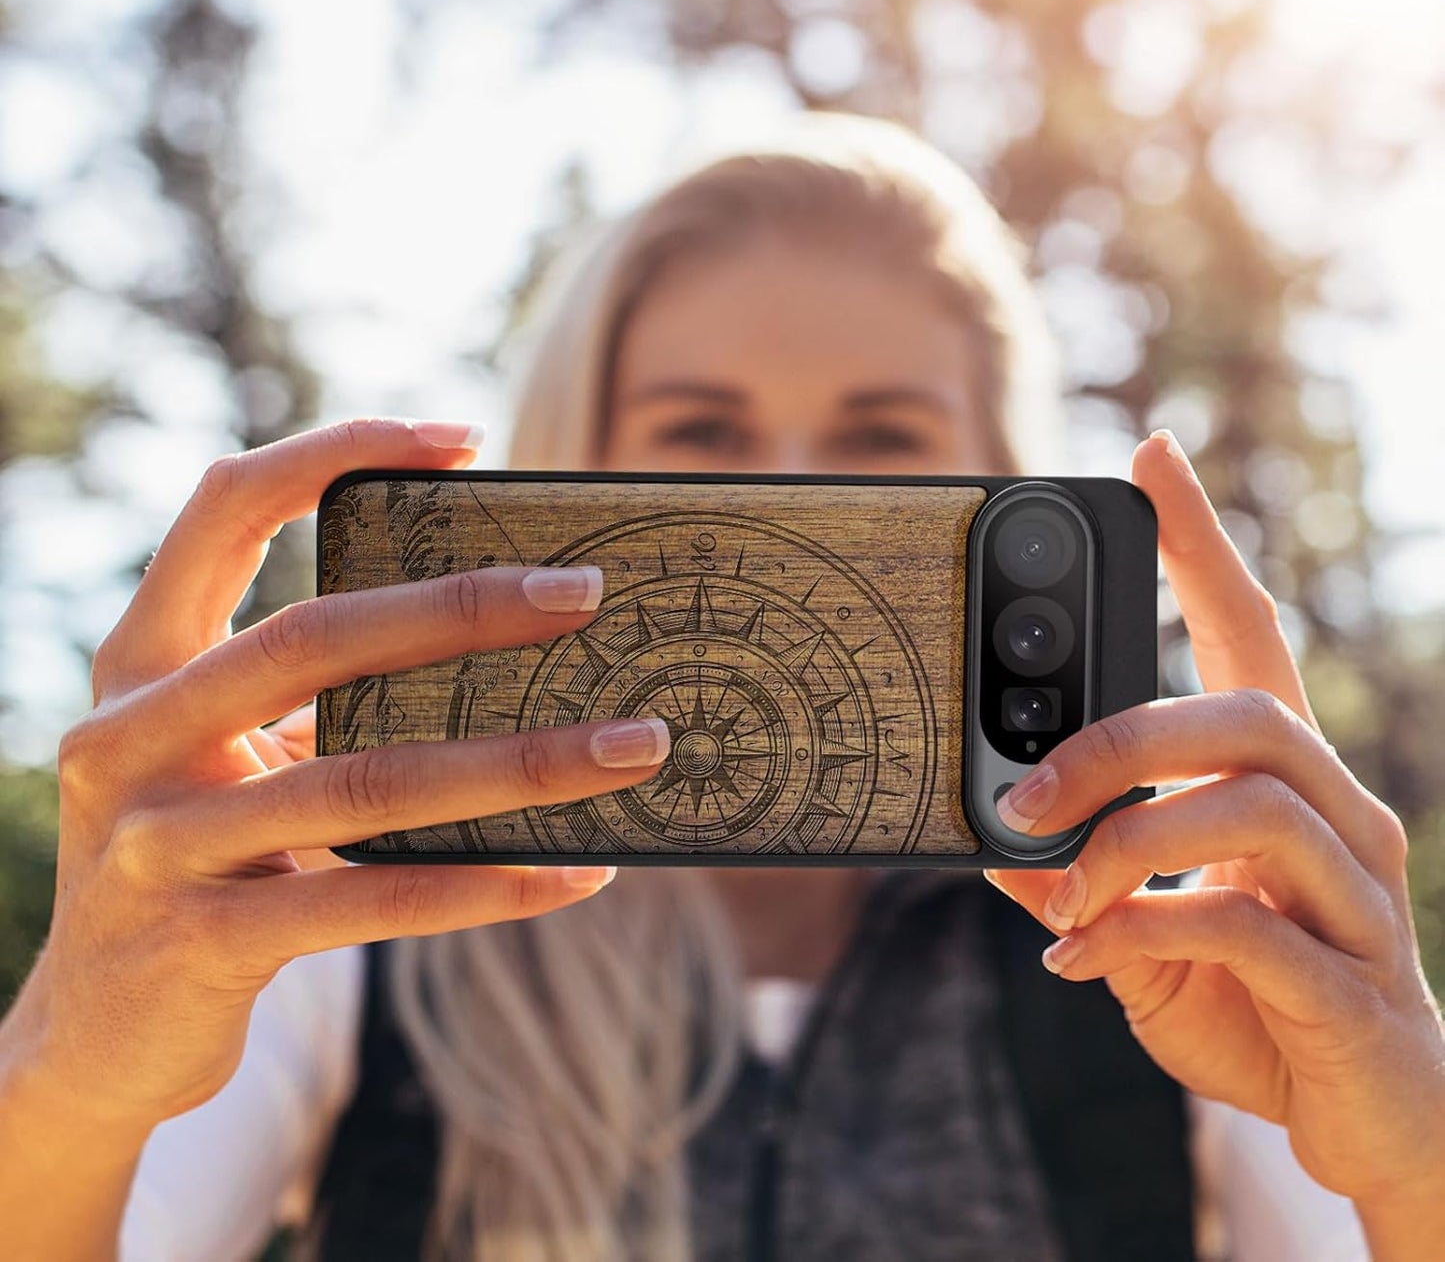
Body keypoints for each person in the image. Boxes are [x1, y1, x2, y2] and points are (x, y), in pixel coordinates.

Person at [0, 113, 1441, 1262]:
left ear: (1001, 481)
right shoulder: (349, 922)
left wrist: (1414, 1154)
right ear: (575, 462)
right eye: (700, 433)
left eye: (882, 439)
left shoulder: (1173, 940)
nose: (794, 494)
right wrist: (72, 1067)